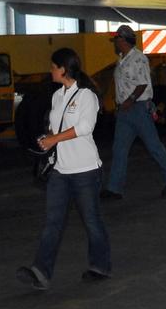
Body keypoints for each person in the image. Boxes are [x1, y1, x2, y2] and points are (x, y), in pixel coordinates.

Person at [17, 47, 111, 289]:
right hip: (60, 171)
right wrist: (47, 137)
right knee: (52, 223)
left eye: (53, 67)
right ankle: (40, 272)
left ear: (63, 69)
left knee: (92, 221)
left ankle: (100, 266)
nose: (50, 71)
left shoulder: (87, 96)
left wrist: (54, 139)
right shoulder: (57, 96)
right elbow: (55, 127)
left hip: (85, 171)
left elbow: (85, 127)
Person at [100, 24, 166, 200]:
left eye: (116, 39)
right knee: (119, 149)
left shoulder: (138, 58)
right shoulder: (122, 59)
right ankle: (115, 188)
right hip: (125, 110)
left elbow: (142, 83)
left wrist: (130, 100)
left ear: (123, 40)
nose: (115, 43)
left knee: (153, 146)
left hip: (137, 109)